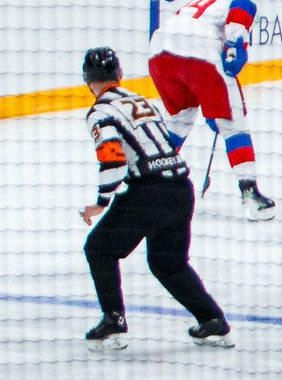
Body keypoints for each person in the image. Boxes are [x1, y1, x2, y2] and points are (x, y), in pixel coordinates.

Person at [78, 45, 232, 350]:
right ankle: (213, 321)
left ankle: (113, 321)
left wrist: (102, 200)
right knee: (168, 263)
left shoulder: (100, 112)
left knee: (99, 249)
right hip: (180, 189)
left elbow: (113, 160)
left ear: (87, 80)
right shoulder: (140, 100)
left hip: (149, 193)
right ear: (119, 75)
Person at [146, 0, 276, 217]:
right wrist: (234, 46)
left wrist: (209, 104)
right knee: (234, 123)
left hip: (159, 52)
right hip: (201, 50)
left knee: (178, 122)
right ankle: (250, 194)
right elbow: (242, 7)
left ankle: (149, 185)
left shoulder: (201, 2)